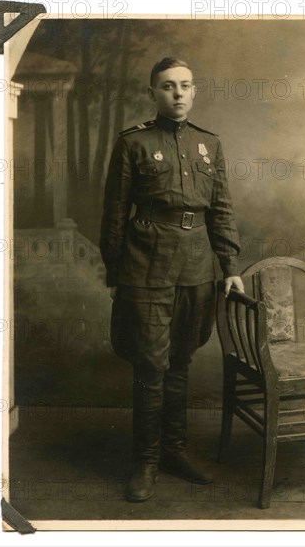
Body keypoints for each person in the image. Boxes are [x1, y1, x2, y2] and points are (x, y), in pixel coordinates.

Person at [100, 57, 244, 502]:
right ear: (153, 93)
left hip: (197, 266)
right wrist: (116, 268)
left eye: (185, 85)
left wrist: (230, 268)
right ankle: (145, 460)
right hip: (146, 265)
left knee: (180, 361)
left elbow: (221, 209)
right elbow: (115, 211)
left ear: (194, 91)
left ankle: (174, 452)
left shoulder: (209, 144)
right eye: (167, 86)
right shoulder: (134, 143)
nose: (177, 93)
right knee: (151, 365)